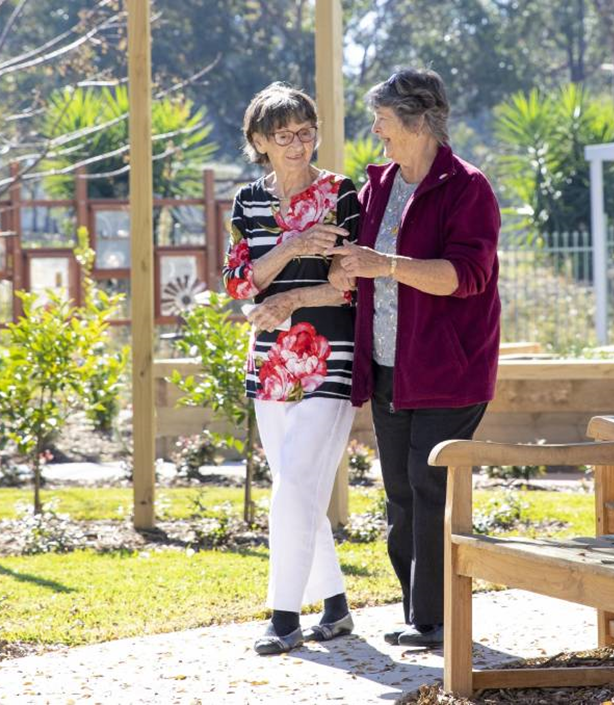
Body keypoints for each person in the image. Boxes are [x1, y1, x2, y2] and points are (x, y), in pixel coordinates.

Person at [328, 68, 501, 647]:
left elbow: (468, 276)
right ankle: (418, 611)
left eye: (384, 118)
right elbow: (361, 262)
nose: (375, 129)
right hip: (385, 366)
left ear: (420, 120)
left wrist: (388, 265)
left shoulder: (467, 187)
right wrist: (346, 265)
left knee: (430, 490)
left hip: (449, 372)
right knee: (400, 492)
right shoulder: (378, 184)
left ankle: (435, 619)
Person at [223, 82, 360, 655]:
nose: (299, 145)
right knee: (293, 487)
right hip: (269, 360)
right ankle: (336, 607)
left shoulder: (340, 193)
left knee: (297, 483)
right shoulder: (248, 201)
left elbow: (350, 282)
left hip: (332, 356)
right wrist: (294, 243)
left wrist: (288, 300)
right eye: (285, 137)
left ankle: (282, 618)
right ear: (259, 141)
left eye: (307, 133)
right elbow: (238, 282)